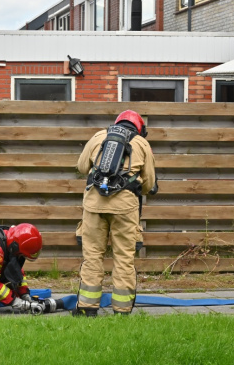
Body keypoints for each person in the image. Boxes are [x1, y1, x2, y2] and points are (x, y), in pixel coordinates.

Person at [74, 110, 156, 316]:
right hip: (125, 208)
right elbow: (149, 184)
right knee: (123, 258)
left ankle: (87, 308)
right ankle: (122, 309)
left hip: (94, 205)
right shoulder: (142, 144)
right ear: (139, 128)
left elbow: (82, 167)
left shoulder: (98, 136)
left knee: (92, 256)